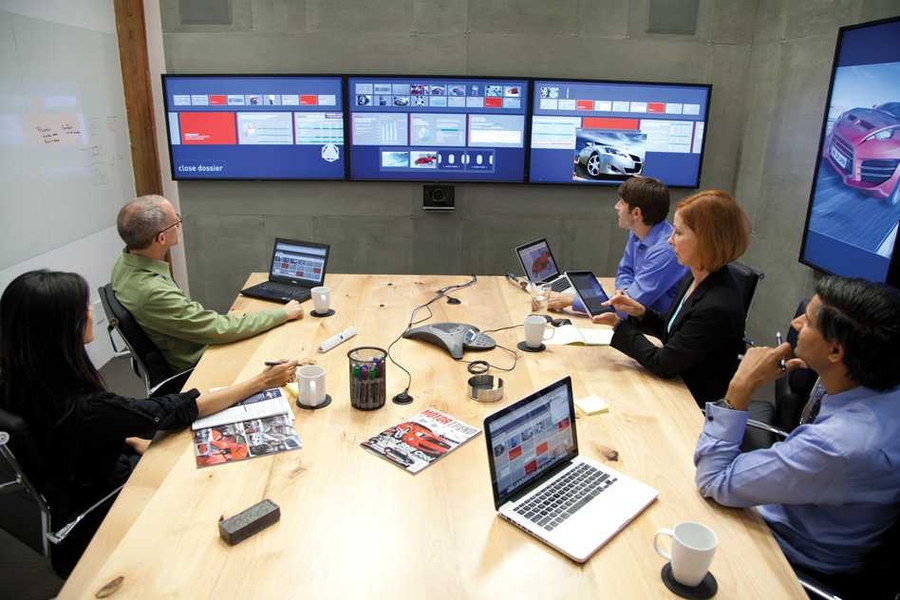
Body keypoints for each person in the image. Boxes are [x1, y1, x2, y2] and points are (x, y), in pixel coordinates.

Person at [0, 270, 298, 574]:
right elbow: (174, 410)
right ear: (63, 327)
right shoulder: (84, 407)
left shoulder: (21, 380)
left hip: (81, 475)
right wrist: (263, 381)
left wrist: (128, 437)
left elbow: (81, 434)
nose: (91, 312)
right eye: (83, 307)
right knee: (239, 475)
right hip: (110, 500)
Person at [694, 276, 900, 592]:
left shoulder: (837, 446)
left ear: (835, 351)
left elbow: (713, 480)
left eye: (808, 322)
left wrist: (740, 387)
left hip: (782, 563)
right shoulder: (873, 388)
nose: (795, 322)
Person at [112, 195, 303, 372]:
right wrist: (282, 314)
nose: (179, 225)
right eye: (176, 221)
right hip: (200, 362)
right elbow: (218, 328)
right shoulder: (153, 292)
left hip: (188, 339)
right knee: (288, 347)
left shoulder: (125, 262)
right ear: (161, 238)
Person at [593, 189, 750, 406]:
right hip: (675, 384)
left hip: (691, 403)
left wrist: (619, 327)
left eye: (678, 233)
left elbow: (664, 363)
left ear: (706, 241)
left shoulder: (716, 306)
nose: (669, 241)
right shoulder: (695, 275)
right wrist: (641, 312)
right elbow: (675, 333)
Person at [549, 176, 687, 314]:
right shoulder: (637, 231)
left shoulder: (666, 251)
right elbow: (625, 272)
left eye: (621, 203)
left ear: (636, 213)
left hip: (656, 330)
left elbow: (629, 308)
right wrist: (624, 294)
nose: (616, 207)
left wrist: (572, 300)